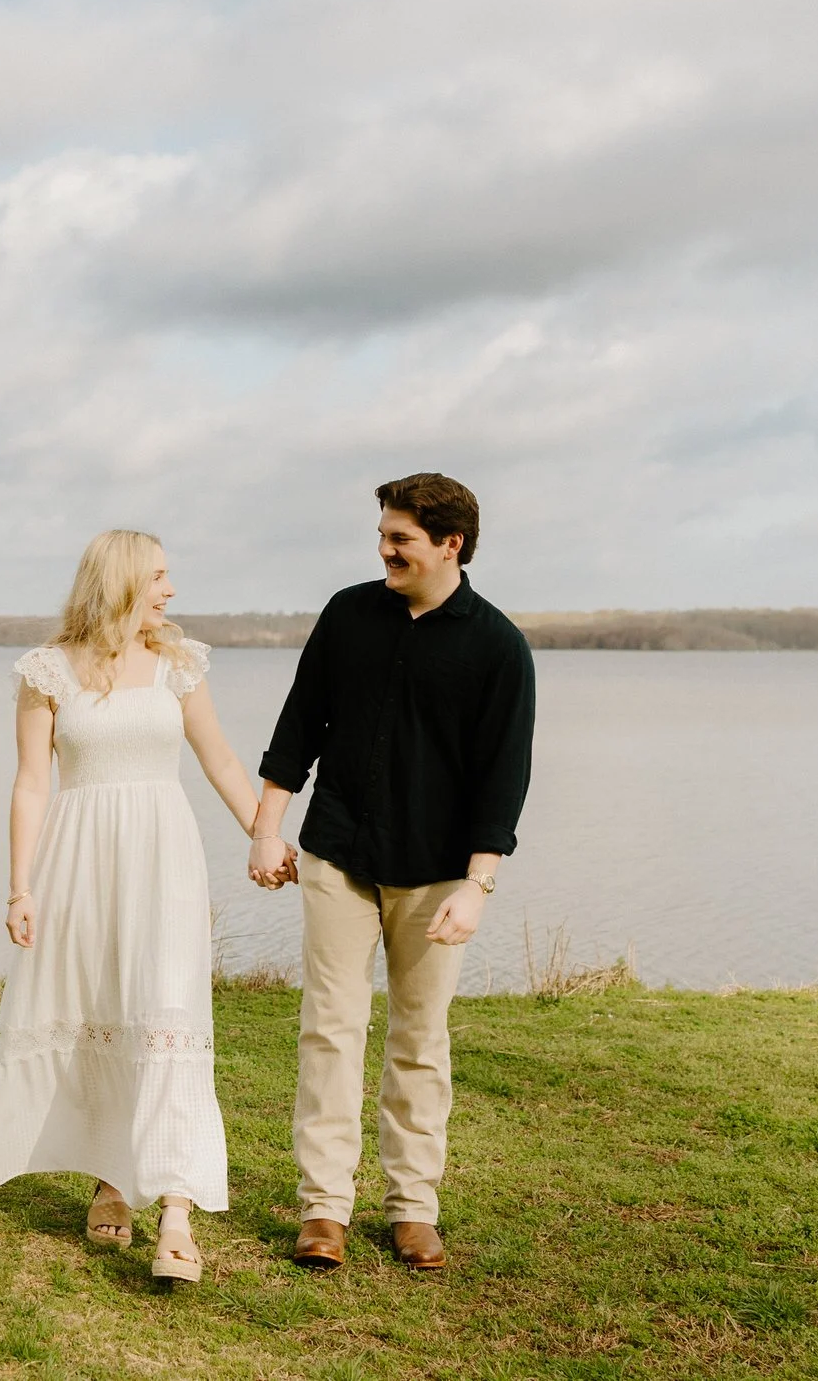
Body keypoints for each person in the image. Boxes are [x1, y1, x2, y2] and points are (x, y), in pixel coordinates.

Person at [0, 529, 286, 1284]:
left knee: (166, 1013)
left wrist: (266, 836)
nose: (171, 590)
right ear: (123, 581)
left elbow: (222, 760)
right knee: (102, 1007)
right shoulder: (47, 671)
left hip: (163, 859)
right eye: (160, 576)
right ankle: (110, 1176)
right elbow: (31, 783)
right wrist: (20, 884)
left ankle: (175, 1208)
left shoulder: (179, 663)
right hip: (78, 860)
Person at [251, 473, 535, 1273]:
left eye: (400, 538)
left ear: (451, 543)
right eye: (382, 534)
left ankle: (413, 1206)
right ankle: (323, 1209)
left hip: (440, 877)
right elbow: (297, 724)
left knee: (419, 1037)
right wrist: (267, 828)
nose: (384, 550)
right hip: (337, 852)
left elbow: (503, 778)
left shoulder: (499, 646)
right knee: (329, 1028)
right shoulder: (348, 613)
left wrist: (477, 886)